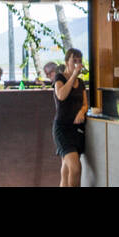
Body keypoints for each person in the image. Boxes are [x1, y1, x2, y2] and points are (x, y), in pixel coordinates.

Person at [52, 48, 88, 187]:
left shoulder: (81, 83)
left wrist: (82, 112)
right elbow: (61, 95)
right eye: (74, 60)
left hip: (77, 130)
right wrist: (73, 76)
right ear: (67, 62)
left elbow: (85, 104)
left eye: (80, 61)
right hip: (63, 129)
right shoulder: (59, 78)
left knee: (67, 170)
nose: (77, 64)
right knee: (75, 168)